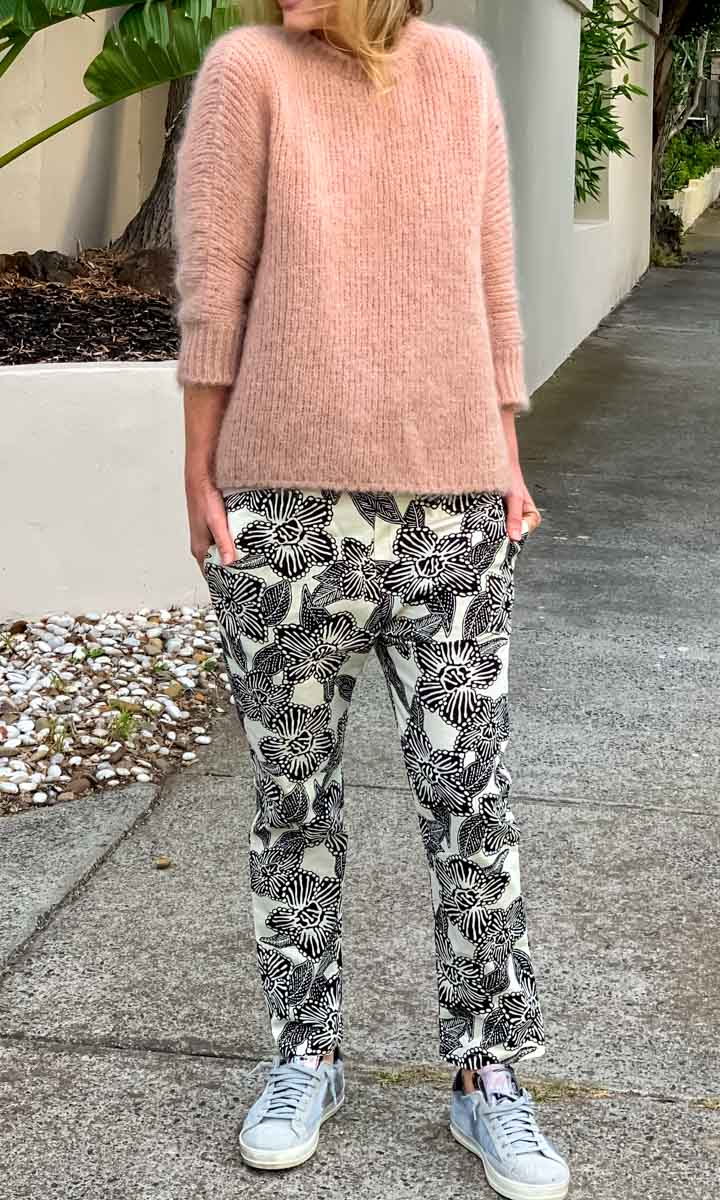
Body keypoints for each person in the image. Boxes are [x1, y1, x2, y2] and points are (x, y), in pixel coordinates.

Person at [172, 2, 569, 1196]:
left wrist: (504, 453)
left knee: (472, 799)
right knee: (293, 805)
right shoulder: (249, 71)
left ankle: (489, 1075)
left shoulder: (459, 74)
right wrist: (200, 467)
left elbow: (491, 279)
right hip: (283, 510)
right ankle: (306, 1055)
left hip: (453, 509)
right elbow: (214, 281)